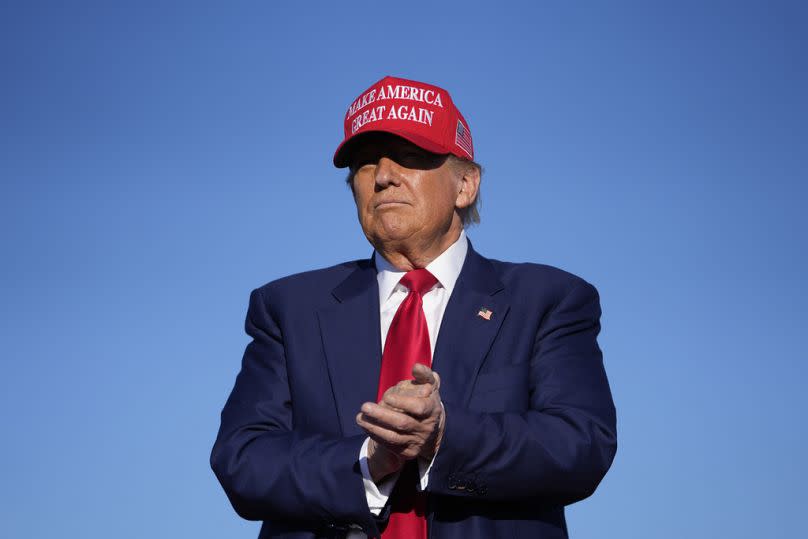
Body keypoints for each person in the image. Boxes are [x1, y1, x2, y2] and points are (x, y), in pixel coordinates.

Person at [211, 75, 617, 539]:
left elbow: (582, 446)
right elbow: (242, 459)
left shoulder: (547, 300)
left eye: (408, 156)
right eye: (365, 163)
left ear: (465, 184)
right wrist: (367, 461)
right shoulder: (288, 308)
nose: (383, 176)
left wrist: (446, 438)